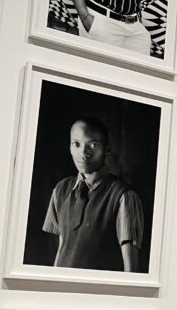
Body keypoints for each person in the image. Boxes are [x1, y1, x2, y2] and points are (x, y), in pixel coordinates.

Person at [42, 117, 144, 272]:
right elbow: (62, 248)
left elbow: (131, 270)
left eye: (94, 145)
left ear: (107, 150)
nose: (83, 153)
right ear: (70, 147)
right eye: (76, 144)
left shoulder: (123, 195)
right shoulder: (60, 190)